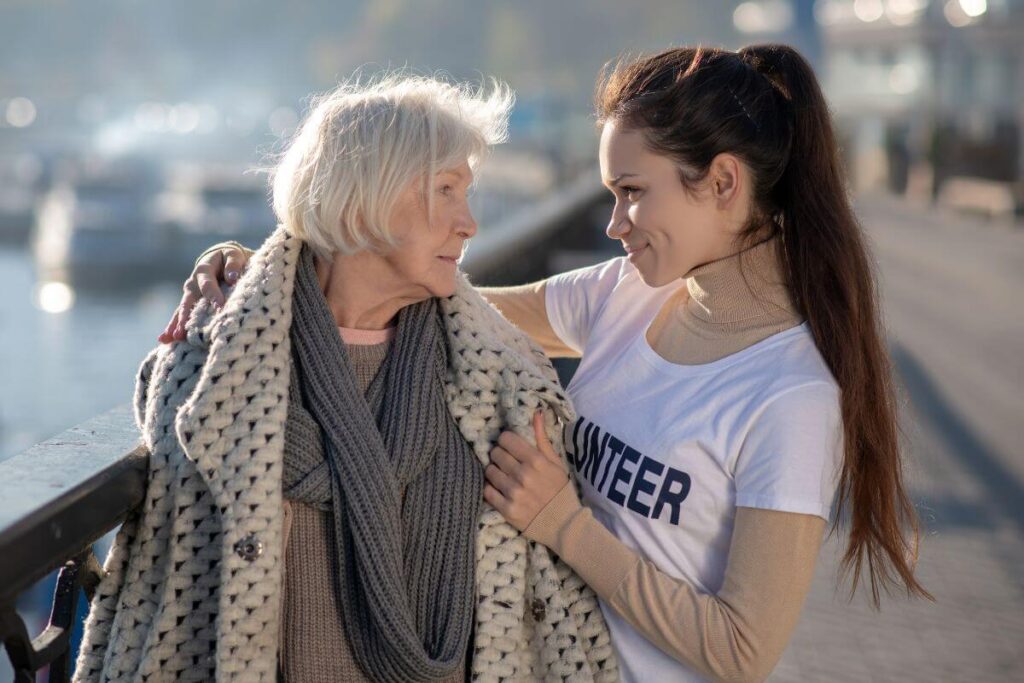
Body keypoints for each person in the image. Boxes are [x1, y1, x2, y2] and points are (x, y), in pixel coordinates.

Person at [166, 45, 932, 683]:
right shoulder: (630, 293)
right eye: (610, 193)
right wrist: (274, 264)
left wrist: (565, 523)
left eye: (634, 193)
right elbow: (445, 296)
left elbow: (744, 648)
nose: (614, 223)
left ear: (724, 183)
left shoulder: (789, 395)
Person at [74, 74, 619, 683]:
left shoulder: (499, 377)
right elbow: (168, 564)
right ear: (369, 197)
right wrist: (246, 283)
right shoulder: (220, 358)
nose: (469, 224)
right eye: (446, 191)